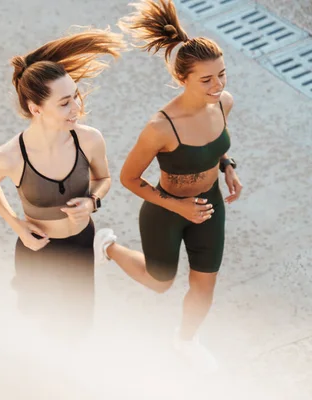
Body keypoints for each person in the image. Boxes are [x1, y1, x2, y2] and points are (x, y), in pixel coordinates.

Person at [94, 0, 243, 369]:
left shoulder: (223, 103)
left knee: (204, 285)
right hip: (166, 209)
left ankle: (186, 340)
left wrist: (228, 167)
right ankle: (108, 246)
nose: (217, 85)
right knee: (160, 282)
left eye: (221, 74)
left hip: (209, 204)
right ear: (183, 79)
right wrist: (178, 206)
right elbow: (129, 177)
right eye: (206, 79)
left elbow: (217, 143)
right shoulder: (161, 127)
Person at [0, 27, 124, 340]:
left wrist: (93, 201)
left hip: (82, 245)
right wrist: (16, 224)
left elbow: (103, 178)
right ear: (35, 108)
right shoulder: (9, 156)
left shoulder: (89, 139)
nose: (77, 108)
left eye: (76, 97)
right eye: (65, 103)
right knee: (39, 330)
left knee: (77, 328)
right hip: (38, 251)